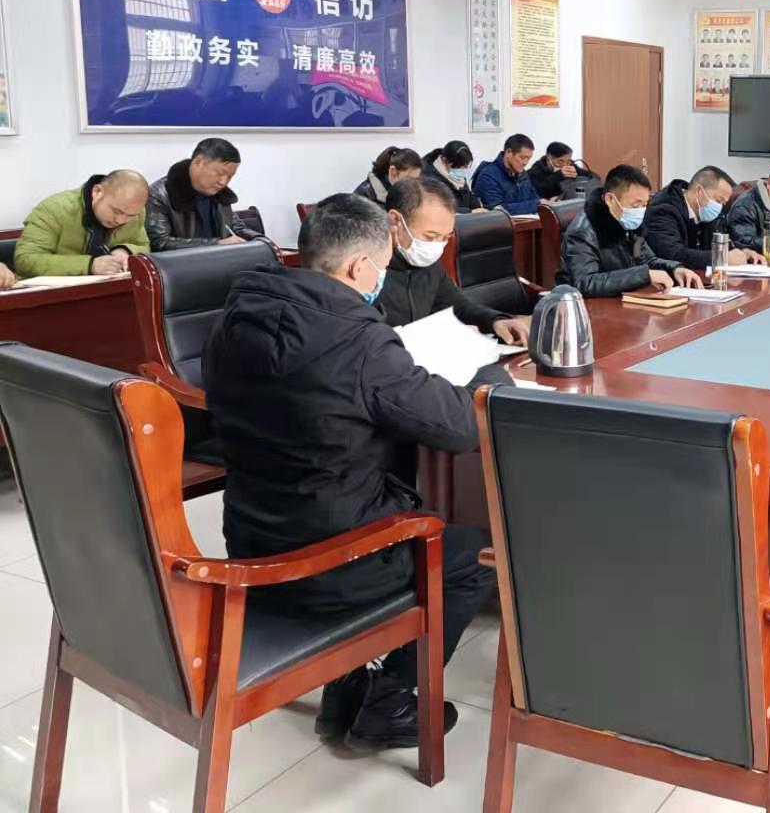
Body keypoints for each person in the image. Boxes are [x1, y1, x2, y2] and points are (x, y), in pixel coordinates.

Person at [203, 194, 493, 749]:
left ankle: (350, 684)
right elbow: (456, 427)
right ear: (360, 267)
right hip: (335, 557)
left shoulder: (234, 317)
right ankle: (390, 701)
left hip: (250, 537)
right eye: (382, 268)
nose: (381, 278)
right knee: (469, 557)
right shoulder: (356, 339)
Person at [380, 178, 530, 343]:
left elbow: (458, 306)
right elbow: (370, 338)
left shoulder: (427, 262)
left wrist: (495, 321)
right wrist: (437, 336)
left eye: (445, 237)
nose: (437, 246)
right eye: (430, 236)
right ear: (395, 220)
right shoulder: (368, 270)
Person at [558, 164, 703, 297]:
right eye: (635, 205)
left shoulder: (630, 225)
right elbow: (585, 283)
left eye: (645, 205)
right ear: (610, 200)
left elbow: (648, 260)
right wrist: (644, 275)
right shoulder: (583, 232)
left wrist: (675, 269)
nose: (641, 211)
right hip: (593, 309)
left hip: (625, 300)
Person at [15, 169, 150, 277]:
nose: (120, 220)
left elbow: (143, 246)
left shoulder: (135, 211)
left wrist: (124, 250)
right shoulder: (54, 209)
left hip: (108, 291)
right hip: (53, 295)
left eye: (130, 216)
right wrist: (90, 265)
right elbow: (25, 260)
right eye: (116, 211)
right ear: (97, 192)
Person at [146, 138, 262, 250]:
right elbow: (160, 243)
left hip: (223, 260)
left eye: (230, 176)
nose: (223, 182)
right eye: (220, 173)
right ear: (198, 162)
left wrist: (259, 240)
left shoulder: (221, 194)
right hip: (184, 263)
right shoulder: (159, 194)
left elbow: (235, 227)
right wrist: (216, 244)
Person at [643, 166, 762, 270]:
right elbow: (673, 254)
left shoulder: (704, 211)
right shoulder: (663, 210)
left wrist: (743, 252)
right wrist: (721, 257)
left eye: (723, 203)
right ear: (699, 191)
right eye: (718, 201)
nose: (719, 207)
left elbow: (717, 239)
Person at [473, 133, 541, 214]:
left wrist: (538, 204)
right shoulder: (488, 176)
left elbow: (535, 200)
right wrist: (535, 205)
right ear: (509, 152)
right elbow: (499, 210)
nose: (525, 163)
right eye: (522, 157)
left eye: (529, 158)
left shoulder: (523, 174)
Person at [527, 141, 597, 201]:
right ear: (548, 159)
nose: (565, 165)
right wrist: (558, 175)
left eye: (568, 161)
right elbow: (535, 192)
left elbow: (595, 178)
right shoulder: (535, 171)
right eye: (560, 161)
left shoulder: (570, 165)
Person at [422, 141, 480, 211]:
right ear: (444, 160)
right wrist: (468, 212)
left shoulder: (455, 173)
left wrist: (479, 208)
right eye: (459, 167)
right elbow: (438, 208)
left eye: (466, 166)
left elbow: (467, 195)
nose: (463, 169)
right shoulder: (429, 179)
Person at [355, 146, 422, 205]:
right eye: (408, 179)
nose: (412, 185)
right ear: (393, 171)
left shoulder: (403, 192)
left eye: (416, 179)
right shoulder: (363, 197)